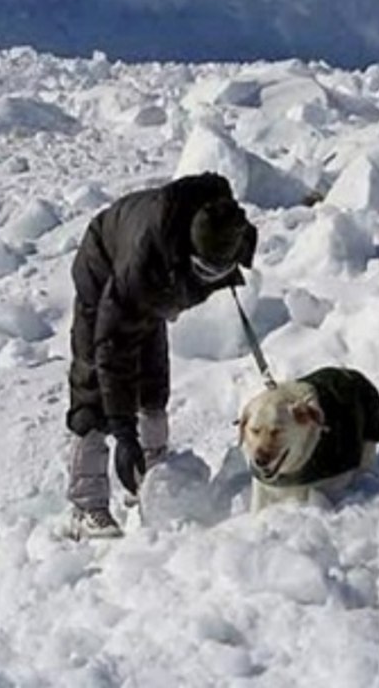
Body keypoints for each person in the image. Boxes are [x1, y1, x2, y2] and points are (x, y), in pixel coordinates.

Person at [65, 172, 258, 538]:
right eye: (203, 270)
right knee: (94, 382)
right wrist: (123, 433)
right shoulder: (142, 266)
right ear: (188, 252)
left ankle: (152, 482)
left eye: (220, 270)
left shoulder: (230, 227)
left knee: (153, 380)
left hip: (158, 276)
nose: (210, 278)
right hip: (104, 265)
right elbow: (112, 348)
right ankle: (86, 504)